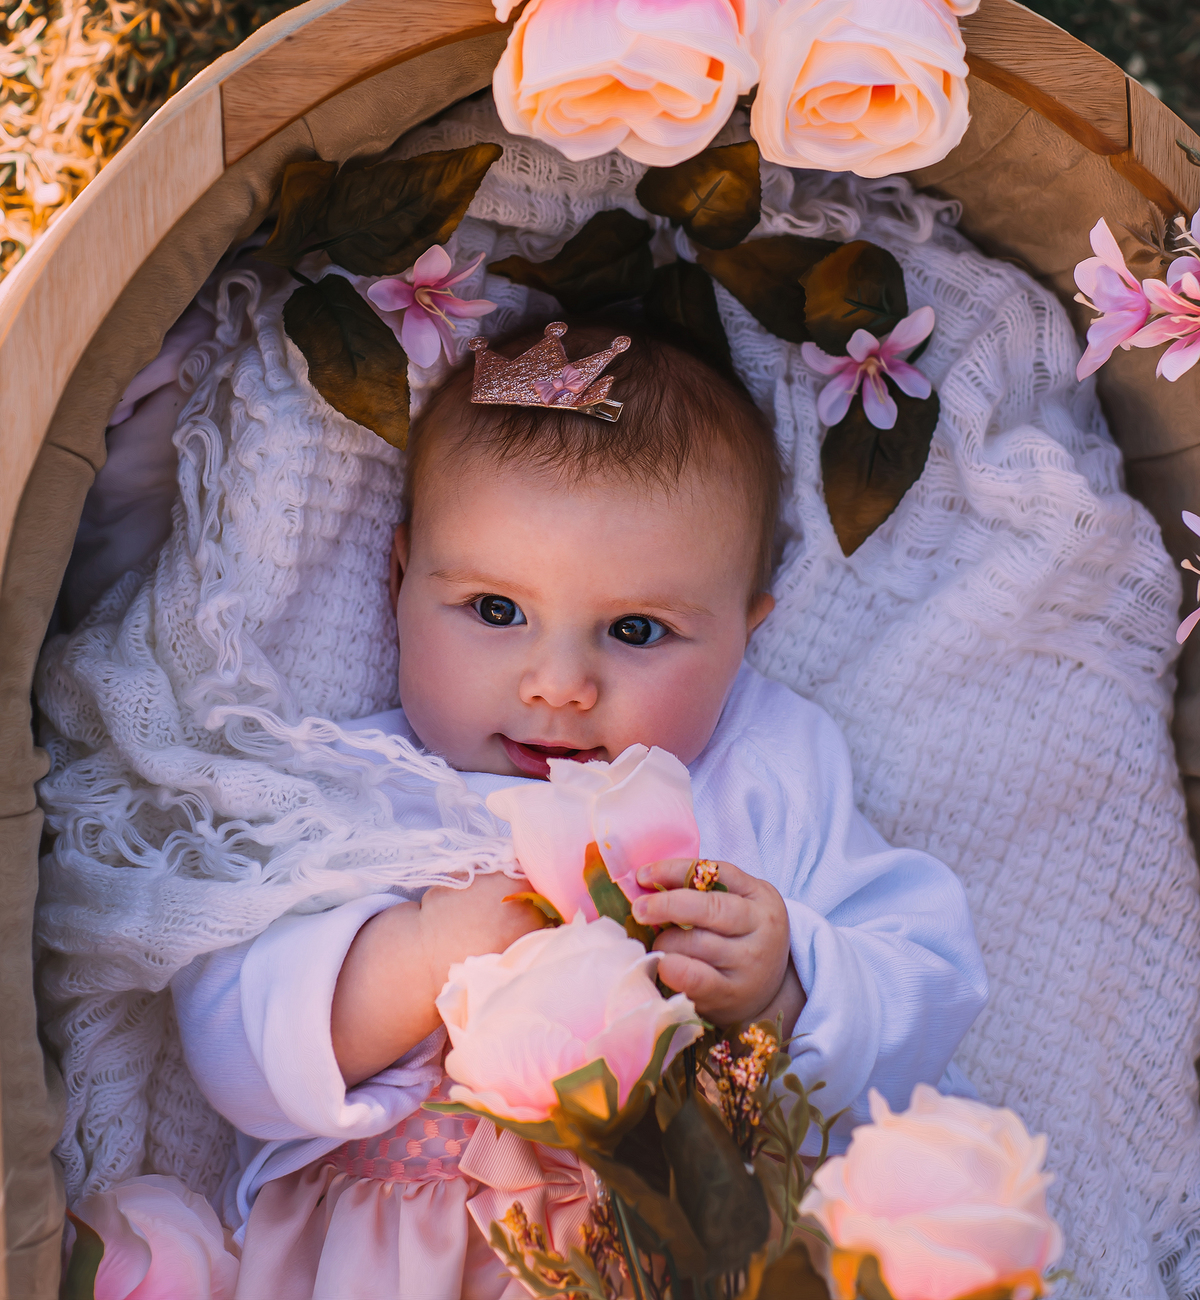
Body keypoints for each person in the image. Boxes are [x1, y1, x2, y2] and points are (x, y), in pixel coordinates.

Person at [171, 319, 988, 1299]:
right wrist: (418, 954)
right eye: (496, 611)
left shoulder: (766, 765)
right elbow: (230, 1044)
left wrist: (785, 979)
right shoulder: (359, 787)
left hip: (694, 1242)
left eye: (636, 630)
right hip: (404, 1247)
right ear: (396, 586)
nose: (559, 684)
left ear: (743, 636)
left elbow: (929, 978)